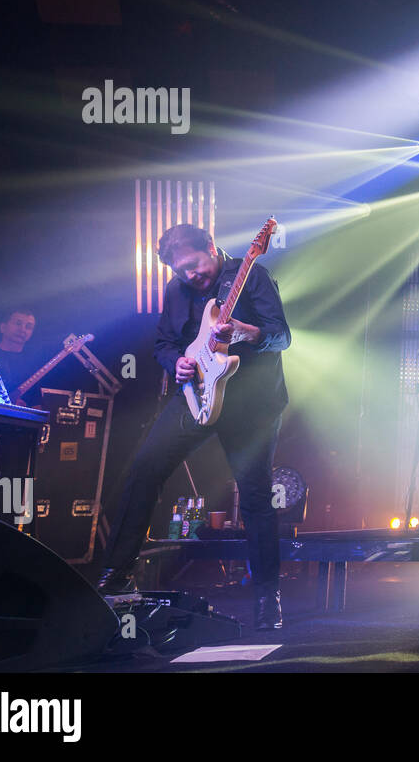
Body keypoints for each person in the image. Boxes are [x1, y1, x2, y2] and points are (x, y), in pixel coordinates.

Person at [98, 224, 291, 630]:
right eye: (179, 270)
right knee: (145, 469)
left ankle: (267, 597)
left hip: (251, 403)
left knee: (255, 496)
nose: (189, 276)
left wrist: (246, 332)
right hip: (196, 391)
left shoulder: (250, 274)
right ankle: (116, 573)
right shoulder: (176, 289)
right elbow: (164, 343)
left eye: (193, 265)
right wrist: (177, 363)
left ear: (211, 247)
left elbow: (281, 336)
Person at [0, 307, 41, 399]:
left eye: (28, 327)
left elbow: (36, 401)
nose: (23, 330)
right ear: (3, 327)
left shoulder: (33, 365)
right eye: (18, 324)